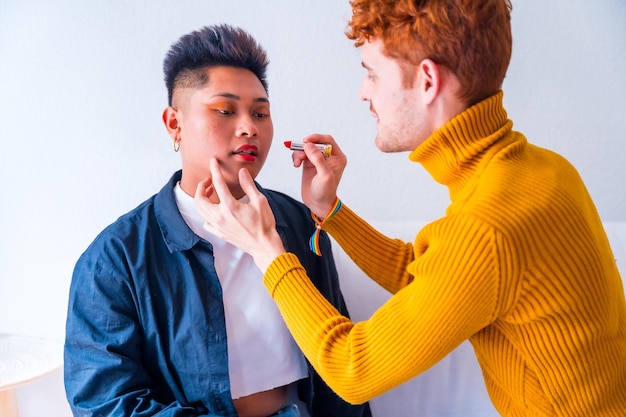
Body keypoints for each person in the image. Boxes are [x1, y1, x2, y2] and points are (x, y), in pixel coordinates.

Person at [194, 2, 626, 416]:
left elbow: (353, 368)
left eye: (372, 74)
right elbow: (438, 277)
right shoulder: (544, 169)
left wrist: (266, 250)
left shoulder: (487, 227)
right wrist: (332, 211)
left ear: (427, 80)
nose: (364, 93)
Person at [64, 24, 371, 417]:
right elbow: (105, 404)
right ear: (175, 124)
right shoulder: (115, 258)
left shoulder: (300, 222)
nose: (249, 127)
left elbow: (341, 372)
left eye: (260, 112)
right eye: (225, 110)